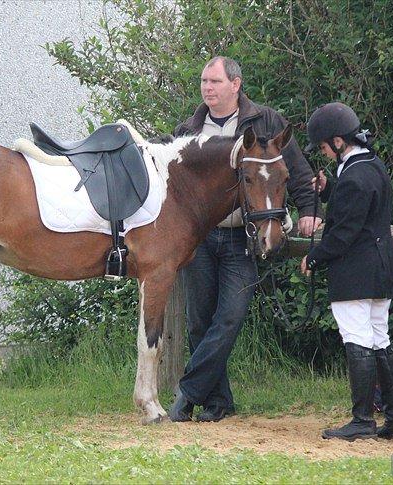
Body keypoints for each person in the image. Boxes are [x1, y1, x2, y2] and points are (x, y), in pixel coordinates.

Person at [168, 56, 321, 422]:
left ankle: (188, 393)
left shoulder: (266, 122)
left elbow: (295, 169)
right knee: (199, 321)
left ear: (235, 85)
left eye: (215, 81)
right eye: (204, 81)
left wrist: (310, 210)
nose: (207, 88)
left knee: (230, 317)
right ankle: (219, 402)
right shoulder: (188, 129)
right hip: (201, 238)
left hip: (243, 237)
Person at [300, 102, 393, 441]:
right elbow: (359, 204)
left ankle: (362, 420)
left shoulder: (354, 177)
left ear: (337, 141)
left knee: (358, 341)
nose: (324, 154)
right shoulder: (371, 166)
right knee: (381, 341)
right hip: (380, 270)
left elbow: (344, 232)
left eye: (323, 147)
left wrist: (315, 258)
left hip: (355, 274)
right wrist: (329, 189)